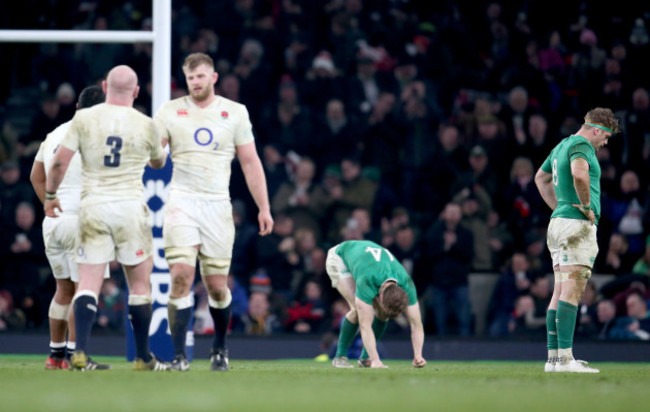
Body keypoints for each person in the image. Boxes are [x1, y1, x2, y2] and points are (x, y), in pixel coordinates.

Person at [154, 52, 274, 372]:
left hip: (217, 205)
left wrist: (264, 206)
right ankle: (179, 356)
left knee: (218, 287)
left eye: (201, 76)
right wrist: (153, 151)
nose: (196, 82)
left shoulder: (235, 113)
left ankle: (219, 348)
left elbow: (250, 162)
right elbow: (155, 155)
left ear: (214, 77)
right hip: (181, 201)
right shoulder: (169, 111)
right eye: (191, 77)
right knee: (180, 278)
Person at [43, 65, 168, 371]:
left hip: (94, 207)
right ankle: (142, 357)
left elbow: (59, 162)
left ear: (104, 85)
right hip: (129, 208)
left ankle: (79, 352)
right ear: (137, 92)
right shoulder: (145, 123)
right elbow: (157, 163)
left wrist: (49, 197)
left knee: (86, 283)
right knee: (140, 284)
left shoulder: (84, 119)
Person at [30, 84, 111, 370]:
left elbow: (35, 176)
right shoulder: (100, 138)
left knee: (63, 290)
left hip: (54, 223)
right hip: (82, 222)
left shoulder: (54, 134)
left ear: (77, 107)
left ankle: (56, 356)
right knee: (83, 290)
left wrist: (49, 204)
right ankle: (79, 357)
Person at [534, 107, 620, 373]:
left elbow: (541, 178)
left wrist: (559, 207)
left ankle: (555, 360)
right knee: (572, 290)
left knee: (559, 290)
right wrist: (584, 206)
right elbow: (580, 174)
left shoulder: (562, 145)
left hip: (559, 224)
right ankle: (566, 359)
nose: (604, 144)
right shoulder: (583, 145)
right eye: (605, 138)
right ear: (597, 129)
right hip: (577, 226)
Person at [326, 240, 426, 369]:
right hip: (340, 257)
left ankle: (364, 359)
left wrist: (418, 355)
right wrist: (376, 360)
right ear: (381, 297)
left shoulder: (407, 284)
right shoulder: (367, 281)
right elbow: (365, 326)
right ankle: (340, 357)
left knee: (382, 314)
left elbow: (416, 324)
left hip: (365, 259)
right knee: (357, 311)